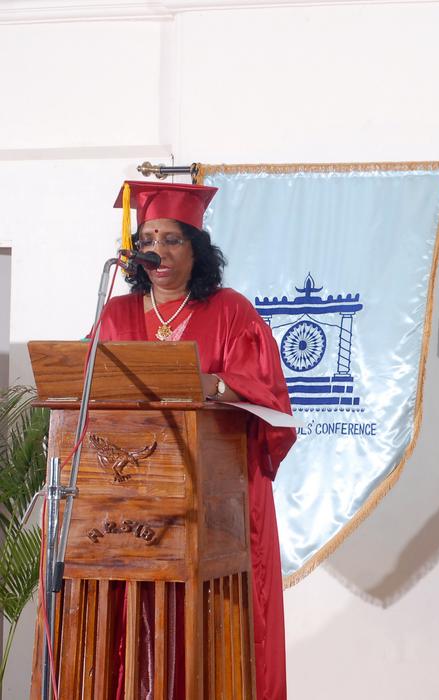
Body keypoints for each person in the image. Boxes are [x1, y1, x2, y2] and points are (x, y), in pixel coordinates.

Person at [95, 180, 295, 700]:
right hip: (137, 499)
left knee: (217, 620)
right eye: (147, 240)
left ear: (196, 248)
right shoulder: (116, 315)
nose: (156, 251)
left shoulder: (230, 311)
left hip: (216, 495)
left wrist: (218, 385)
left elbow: (271, 395)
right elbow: (90, 392)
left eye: (171, 239)